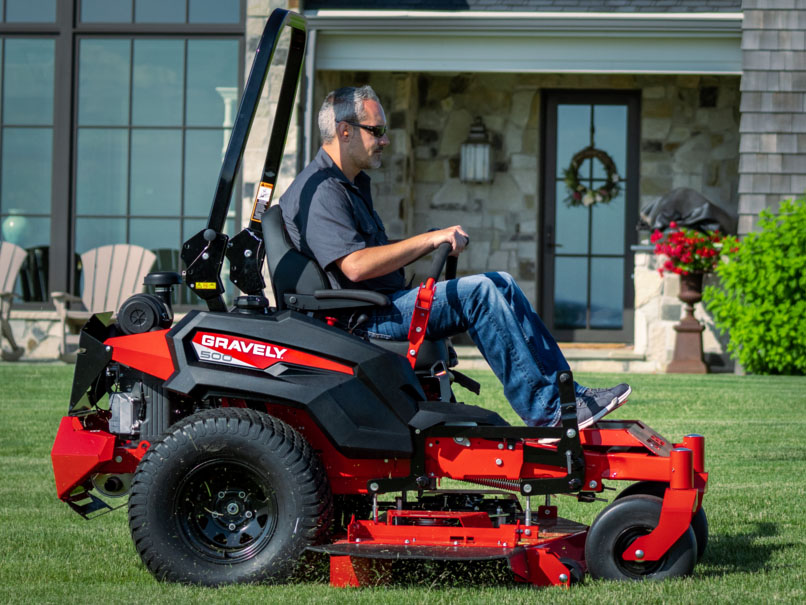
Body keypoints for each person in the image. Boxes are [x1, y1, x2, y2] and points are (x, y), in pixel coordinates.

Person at [279, 85, 630, 428]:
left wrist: (429, 241)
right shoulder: (323, 190)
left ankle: (566, 396)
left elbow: (368, 252)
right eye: (377, 130)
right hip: (367, 319)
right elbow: (355, 266)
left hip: (384, 305)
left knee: (501, 282)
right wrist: (429, 239)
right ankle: (546, 411)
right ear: (345, 131)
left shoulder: (349, 184)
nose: (385, 140)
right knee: (481, 293)